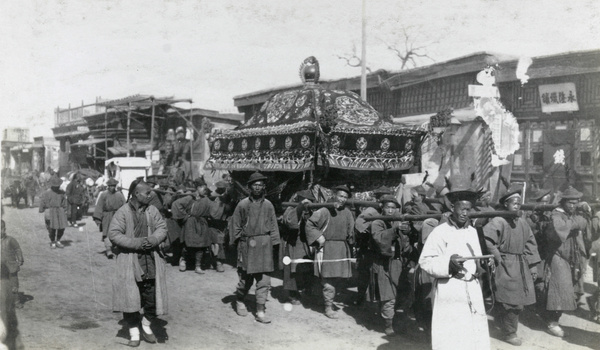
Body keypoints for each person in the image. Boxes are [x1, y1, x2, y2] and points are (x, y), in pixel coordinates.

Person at [418, 186, 490, 350]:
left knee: (473, 333)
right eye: (461, 209)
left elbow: (476, 259)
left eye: (468, 209)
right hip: (450, 288)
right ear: (452, 208)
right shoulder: (440, 232)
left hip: (472, 288)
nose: (465, 213)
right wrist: (448, 263)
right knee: (451, 334)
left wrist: (481, 267)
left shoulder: (472, 231)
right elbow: (425, 261)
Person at [108, 179, 168, 347]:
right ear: (136, 194)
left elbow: (162, 228)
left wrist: (154, 239)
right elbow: (114, 234)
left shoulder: (153, 210)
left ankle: (146, 325)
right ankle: (134, 332)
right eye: (147, 193)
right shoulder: (122, 212)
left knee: (152, 299)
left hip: (150, 260)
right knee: (130, 299)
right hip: (129, 261)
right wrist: (137, 243)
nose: (151, 195)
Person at [483, 188, 540, 346]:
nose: (517, 206)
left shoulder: (522, 222)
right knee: (509, 301)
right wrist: (497, 256)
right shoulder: (498, 220)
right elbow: (487, 240)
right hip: (505, 264)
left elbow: (530, 244)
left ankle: (506, 328)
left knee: (518, 300)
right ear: (506, 204)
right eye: (513, 203)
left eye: (519, 203)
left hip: (520, 264)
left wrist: (533, 266)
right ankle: (509, 332)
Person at [231, 172, 280, 324]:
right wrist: (240, 244)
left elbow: (273, 226)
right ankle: (239, 299)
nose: (258, 187)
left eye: (260, 185)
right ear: (250, 187)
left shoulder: (268, 205)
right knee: (246, 280)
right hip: (248, 245)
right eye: (255, 185)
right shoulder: (243, 204)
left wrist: (274, 244)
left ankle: (260, 311)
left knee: (264, 281)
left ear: (264, 187)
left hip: (265, 245)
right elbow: (235, 226)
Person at [538, 186, 586, 338]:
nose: (573, 205)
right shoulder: (556, 215)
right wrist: (575, 223)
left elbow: (583, 222)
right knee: (558, 291)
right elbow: (560, 230)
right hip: (558, 258)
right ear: (563, 202)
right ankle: (552, 322)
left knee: (569, 289)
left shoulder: (570, 214)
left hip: (571, 259)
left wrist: (577, 221)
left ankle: (551, 317)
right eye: (570, 202)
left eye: (575, 203)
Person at [305, 185, 355, 319]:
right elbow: (309, 224)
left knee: (337, 279)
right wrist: (318, 236)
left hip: (341, 249)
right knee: (328, 279)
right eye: (340, 196)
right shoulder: (324, 210)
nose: (342, 199)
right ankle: (328, 307)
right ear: (334, 195)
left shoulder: (348, 212)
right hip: (327, 248)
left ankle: (324, 300)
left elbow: (351, 232)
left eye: (345, 197)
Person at [369, 195, 413, 336]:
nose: (390, 210)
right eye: (387, 207)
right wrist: (395, 230)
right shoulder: (377, 222)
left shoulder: (397, 221)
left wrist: (406, 233)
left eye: (393, 208)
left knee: (401, 293)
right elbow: (379, 238)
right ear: (382, 207)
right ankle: (388, 325)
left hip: (398, 262)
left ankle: (398, 321)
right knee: (387, 295)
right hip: (383, 263)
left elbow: (405, 244)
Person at [353, 186, 392, 306]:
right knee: (364, 273)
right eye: (382, 197)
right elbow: (359, 222)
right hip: (368, 247)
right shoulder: (371, 210)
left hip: (381, 246)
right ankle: (360, 298)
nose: (384, 199)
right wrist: (368, 229)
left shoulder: (390, 209)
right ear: (378, 199)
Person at [171, 177, 216, 274]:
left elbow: (214, 210)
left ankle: (198, 266)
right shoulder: (189, 198)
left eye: (205, 188)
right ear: (197, 188)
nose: (204, 190)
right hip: (190, 223)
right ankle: (183, 260)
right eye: (201, 187)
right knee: (188, 244)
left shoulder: (207, 200)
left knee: (201, 246)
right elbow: (176, 204)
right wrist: (185, 216)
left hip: (202, 224)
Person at [280, 189, 316, 305]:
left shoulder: (310, 212)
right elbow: (291, 224)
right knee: (291, 269)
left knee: (305, 268)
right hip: (292, 243)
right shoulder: (290, 210)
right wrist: (299, 208)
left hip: (304, 244)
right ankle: (291, 293)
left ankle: (302, 290)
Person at [93, 178, 126, 259]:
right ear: (108, 186)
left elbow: (125, 206)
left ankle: (116, 247)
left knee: (117, 232)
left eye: (113, 186)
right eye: (110, 186)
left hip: (117, 216)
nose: (112, 187)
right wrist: (98, 218)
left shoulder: (119, 195)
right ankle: (108, 250)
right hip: (106, 216)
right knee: (106, 232)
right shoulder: (103, 195)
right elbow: (99, 206)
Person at [39, 177, 68, 249]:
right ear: (52, 185)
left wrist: (65, 209)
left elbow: (64, 202)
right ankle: (52, 241)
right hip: (50, 211)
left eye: (58, 186)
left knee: (61, 227)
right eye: (55, 186)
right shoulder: (46, 193)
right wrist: (41, 209)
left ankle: (58, 240)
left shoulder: (62, 193)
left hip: (60, 211)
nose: (56, 187)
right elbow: (42, 202)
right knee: (51, 228)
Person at [1, 220, 24, 309]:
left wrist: (20, 259)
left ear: (4, 229)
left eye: (0, 229)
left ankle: (16, 301)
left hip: (11, 266)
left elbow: (17, 249)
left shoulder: (10, 240)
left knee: (14, 285)